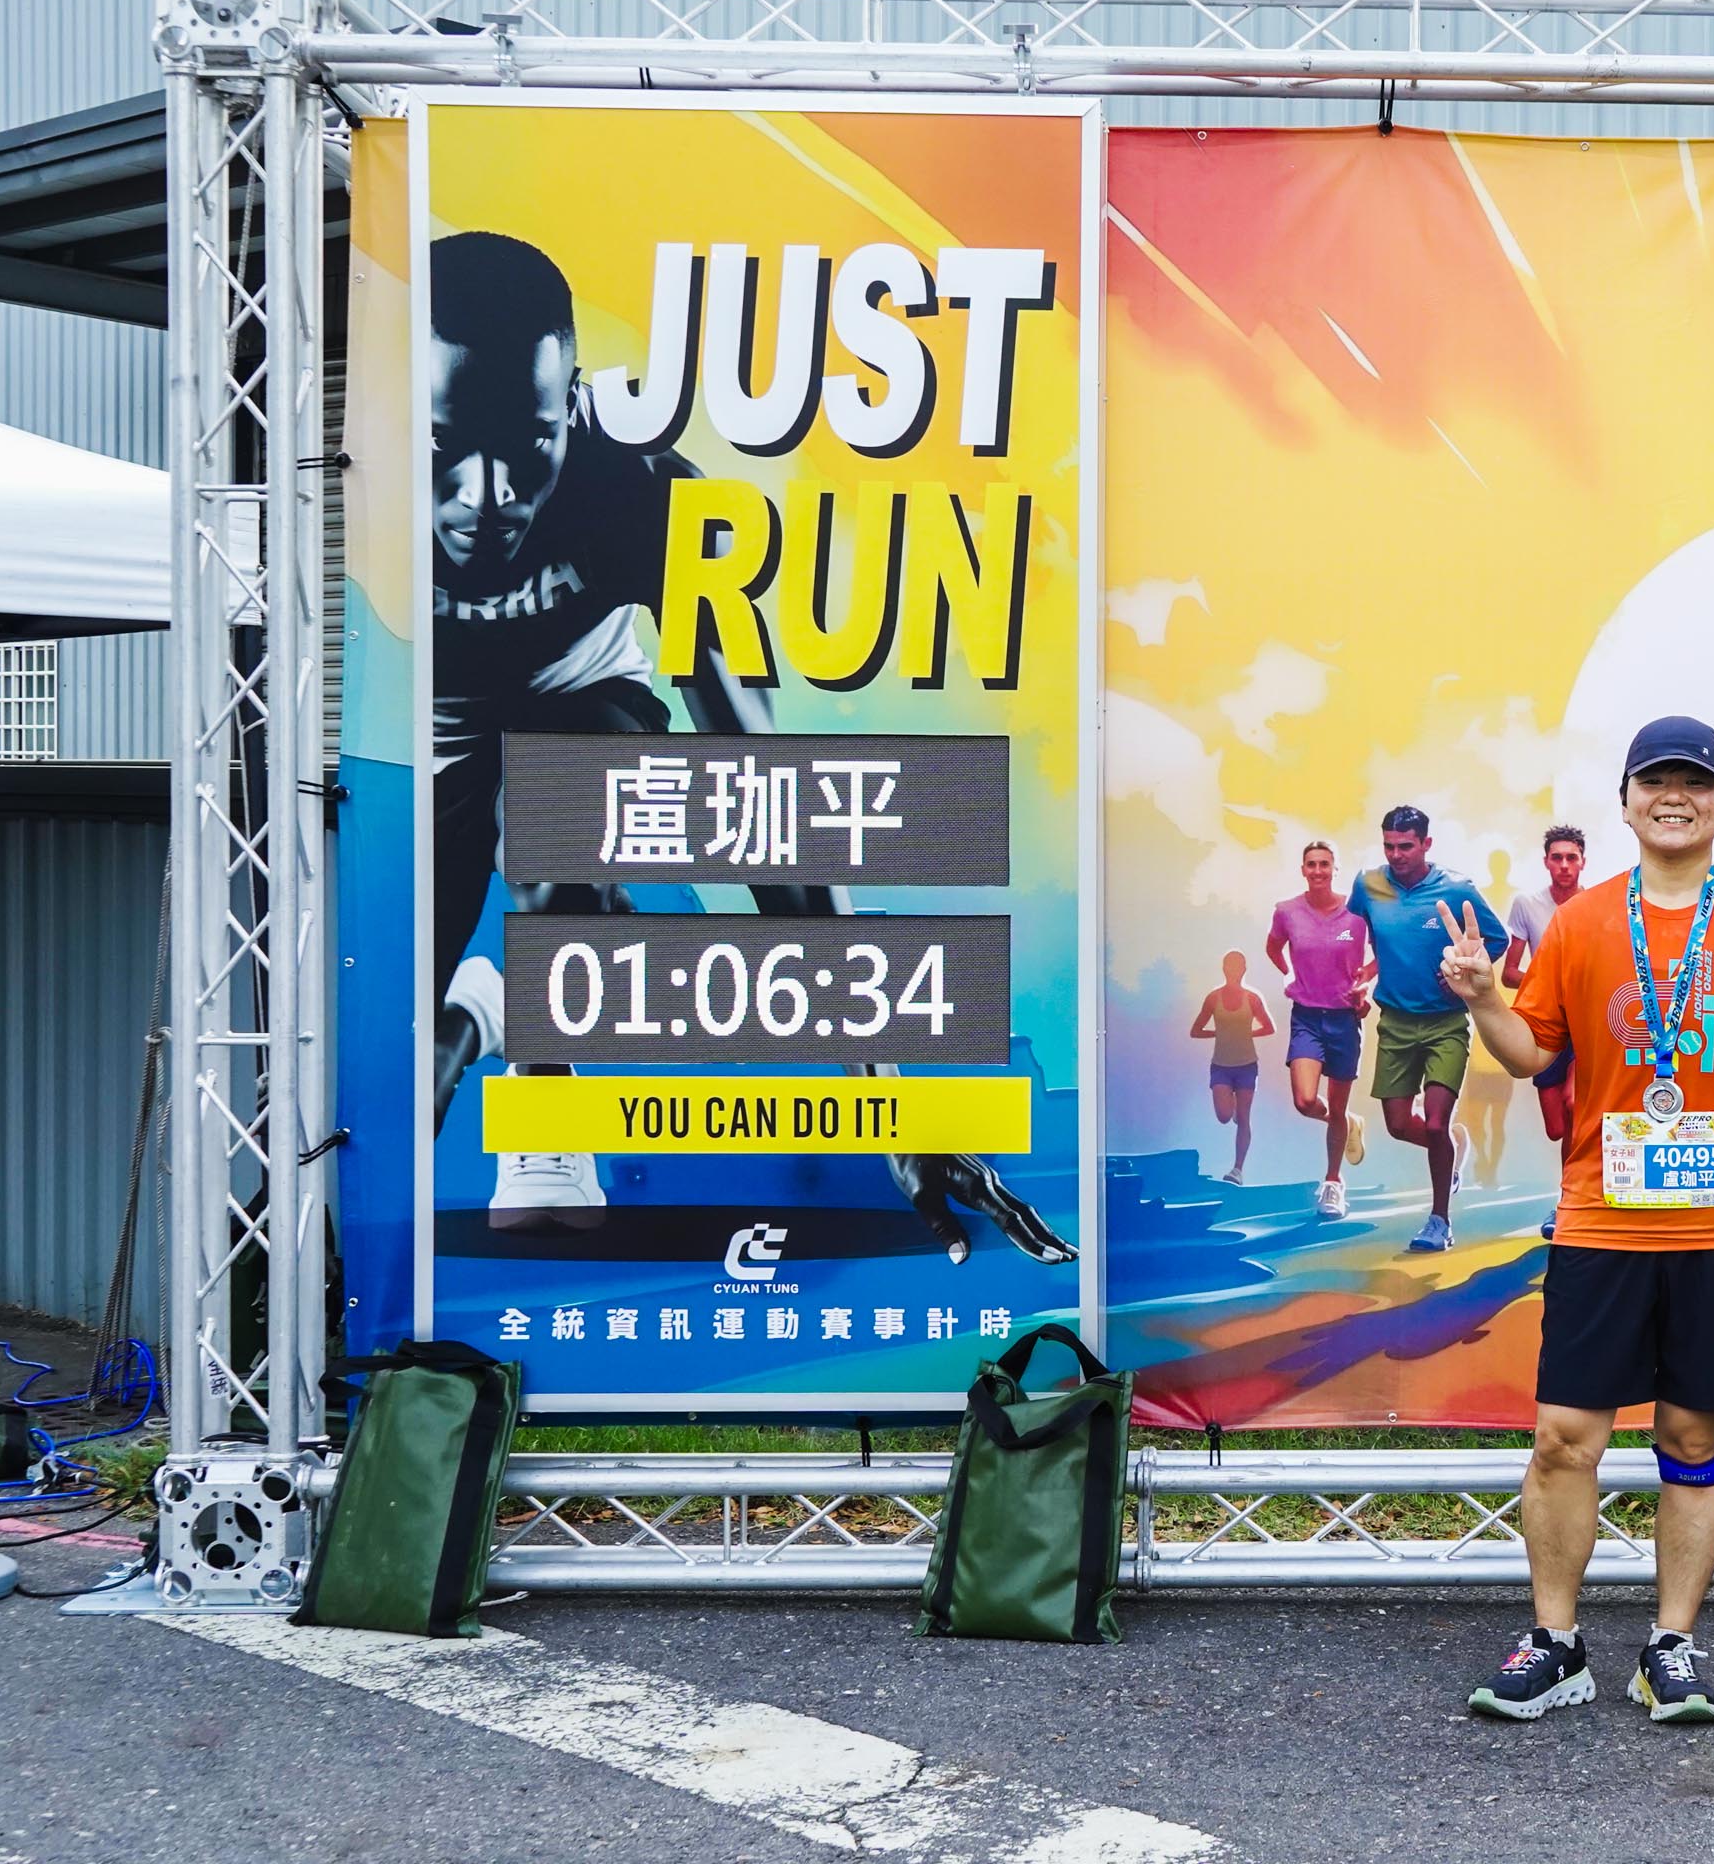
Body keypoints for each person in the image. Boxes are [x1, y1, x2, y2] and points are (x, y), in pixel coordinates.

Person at [417, 231, 1065, 1265]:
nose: (485, 495)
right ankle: (489, 1005)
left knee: (556, 816)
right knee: (411, 1065)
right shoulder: (366, 498)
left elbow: (761, 796)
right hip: (442, 737)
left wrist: (890, 1108)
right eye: (444, 445)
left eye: (526, 444)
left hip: (583, 699)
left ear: (572, 405)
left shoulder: (646, 492)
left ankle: (544, 1094)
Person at [1442, 715, 1714, 1728]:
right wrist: (1483, 998)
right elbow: (1528, 1053)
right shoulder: (1584, 921)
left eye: (1696, 782)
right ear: (1627, 802)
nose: (1674, 796)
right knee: (1563, 1437)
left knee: (1693, 1431)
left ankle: (1670, 1646)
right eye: (1655, 781)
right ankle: (1555, 1644)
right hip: (1604, 1218)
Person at [1351, 807, 1508, 1254]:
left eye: (1406, 846)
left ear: (1426, 844)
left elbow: (1496, 940)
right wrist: (1361, 978)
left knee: (1436, 1123)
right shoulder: (1368, 885)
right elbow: (1358, 933)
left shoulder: (1457, 888)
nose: (1396, 854)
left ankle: (1440, 1220)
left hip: (1446, 1023)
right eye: (1389, 846)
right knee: (1400, 1125)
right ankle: (1453, 1151)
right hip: (1394, 1023)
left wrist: (1463, 968)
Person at [1264, 839, 1374, 1219]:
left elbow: (1383, 954)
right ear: (1303, 870)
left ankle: (1333, 1183)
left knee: (1337, 1105)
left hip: (1345, 1019)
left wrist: (1364, 981)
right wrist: (1288, 973)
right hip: (1307, 1018)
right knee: (1305, 1100)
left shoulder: (1357, 914)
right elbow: (1273, 947)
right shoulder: (1287, 911)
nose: (1317, 871)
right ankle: (1345, 1123)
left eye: (1324, 864)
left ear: (1334, 869)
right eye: (1311, 864)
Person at [1504, 825, 1590, 1241]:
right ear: (1546, 862)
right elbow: (1509, 972)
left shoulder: (1597, 905)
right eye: (1557, 857)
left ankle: (1569, 1201)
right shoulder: (1528, 905)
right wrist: (1548, 987)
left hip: (1586, 1025)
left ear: (1583, 862)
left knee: (1575, 1105)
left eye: (1572, 857)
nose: (1564, 865)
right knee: (1557, 1127)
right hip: (1545, 1025)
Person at [1456, 849, 1526, 1191]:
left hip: (1504, 1022)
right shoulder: (1478, 901)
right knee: (1474, 1114)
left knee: (1497, 1118)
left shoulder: (1517, 903)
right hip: (1478, 1033)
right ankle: (1482, 1159)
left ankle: (1491, 1168)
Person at [1187, 953, 1276, 1185]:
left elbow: (1269, 1027)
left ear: (1244, 969)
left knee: (1244, 1118)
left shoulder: (1252, 999)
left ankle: (1237, 1170)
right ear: (1224, 969)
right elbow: (1195, 1031)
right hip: (1221, 1065)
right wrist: (1219, 1033)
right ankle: (1232, 1104)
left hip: (1246, 1065)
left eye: (1237, 966)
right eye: (1230, 966)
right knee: (1224, 1116)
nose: (1234, 970)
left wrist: (1246, 1033)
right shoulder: (1213, 998)